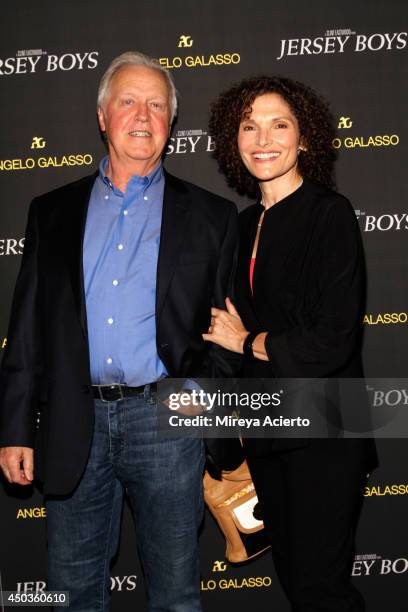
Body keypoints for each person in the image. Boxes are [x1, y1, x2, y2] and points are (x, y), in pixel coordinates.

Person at [0, 51, 242, 612]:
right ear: (103, 116)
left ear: (171, 123)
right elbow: (27, 327)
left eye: (157, 105)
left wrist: (203, 400)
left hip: (165, 422)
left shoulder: (212, 215)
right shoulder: (52, 211)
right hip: (71, 420)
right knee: (72, 589)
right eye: (128, 101)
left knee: (176, 592)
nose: (142, 115)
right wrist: (15, 426)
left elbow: (229, 331)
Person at [204, 76, 378, 611]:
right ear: (234, 142)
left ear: (304, 138)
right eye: (249, 126)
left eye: (279, 124)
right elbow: (221, 340)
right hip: (266, 436)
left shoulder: (330, 213)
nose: (263, 138)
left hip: (325, 436)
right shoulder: (240, 224)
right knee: (298, 589)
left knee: (322, 592)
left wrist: (249, 340)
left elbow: (333, 339)